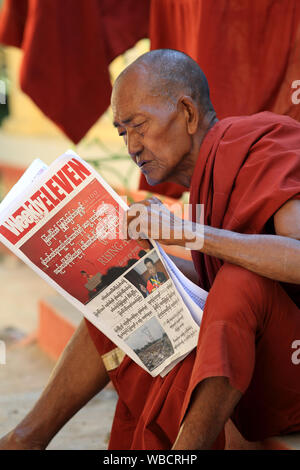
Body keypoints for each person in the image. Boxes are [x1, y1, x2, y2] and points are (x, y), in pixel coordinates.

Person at [0, 49, 299, 450]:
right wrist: (150, 257)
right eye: (124, 133)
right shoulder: (206, 180)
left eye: (139, 126)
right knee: (126, 281)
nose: (132, 147)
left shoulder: (261, 143)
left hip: (290, 362)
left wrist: (188, 233)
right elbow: (213, 273)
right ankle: (26, 438)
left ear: (188, 113)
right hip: (248, 357)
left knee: (240, 282)